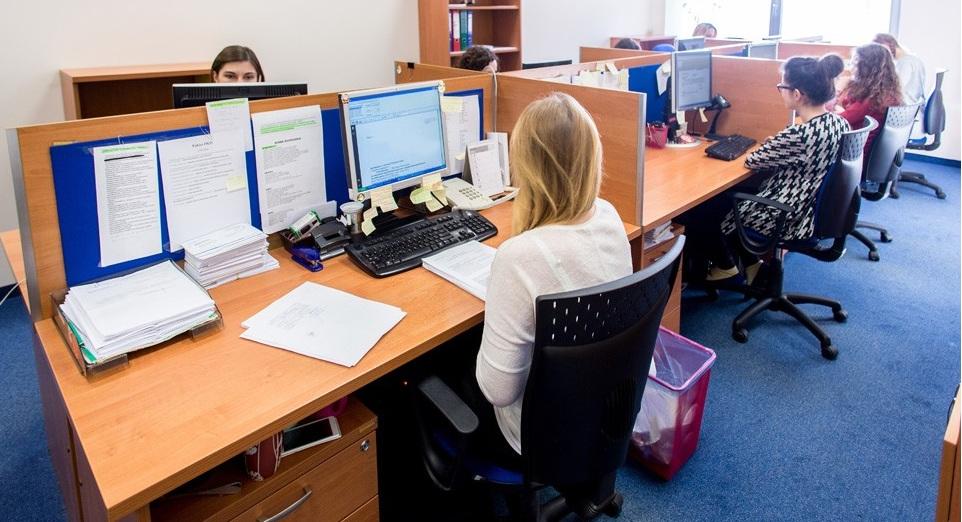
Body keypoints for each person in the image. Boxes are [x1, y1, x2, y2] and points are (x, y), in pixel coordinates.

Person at [469, 93, 633, 458]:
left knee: (439, 365)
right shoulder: (609, 216)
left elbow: (498, 392)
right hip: (605, 410)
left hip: (539, 435)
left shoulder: (518, 257)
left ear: (526, 168)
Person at [680, 54, 849, 282]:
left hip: (786, 214)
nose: (780, 91)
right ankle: (752, 266)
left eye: (782, 87)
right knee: (724, 199)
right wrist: (778, 145)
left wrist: (775, 145)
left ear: (797, 94)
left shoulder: (800, 134)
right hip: (806, 207)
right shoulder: (838, 123)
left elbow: (753, 161)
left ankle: (725, 266)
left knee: (705, 207)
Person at [837, 43, 902, 156]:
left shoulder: (872, 99)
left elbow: (841, 119)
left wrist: (838, 92)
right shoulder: (884, 92)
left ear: (866, 68)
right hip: (865, 149)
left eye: (854, 62)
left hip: (856, 151)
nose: (851, 67)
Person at [873, 33, 926, 104]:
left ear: (887, 46)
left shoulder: (905, 62)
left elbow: (896, 89)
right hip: (912, 105)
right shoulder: (914, 60)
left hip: (904, 107)